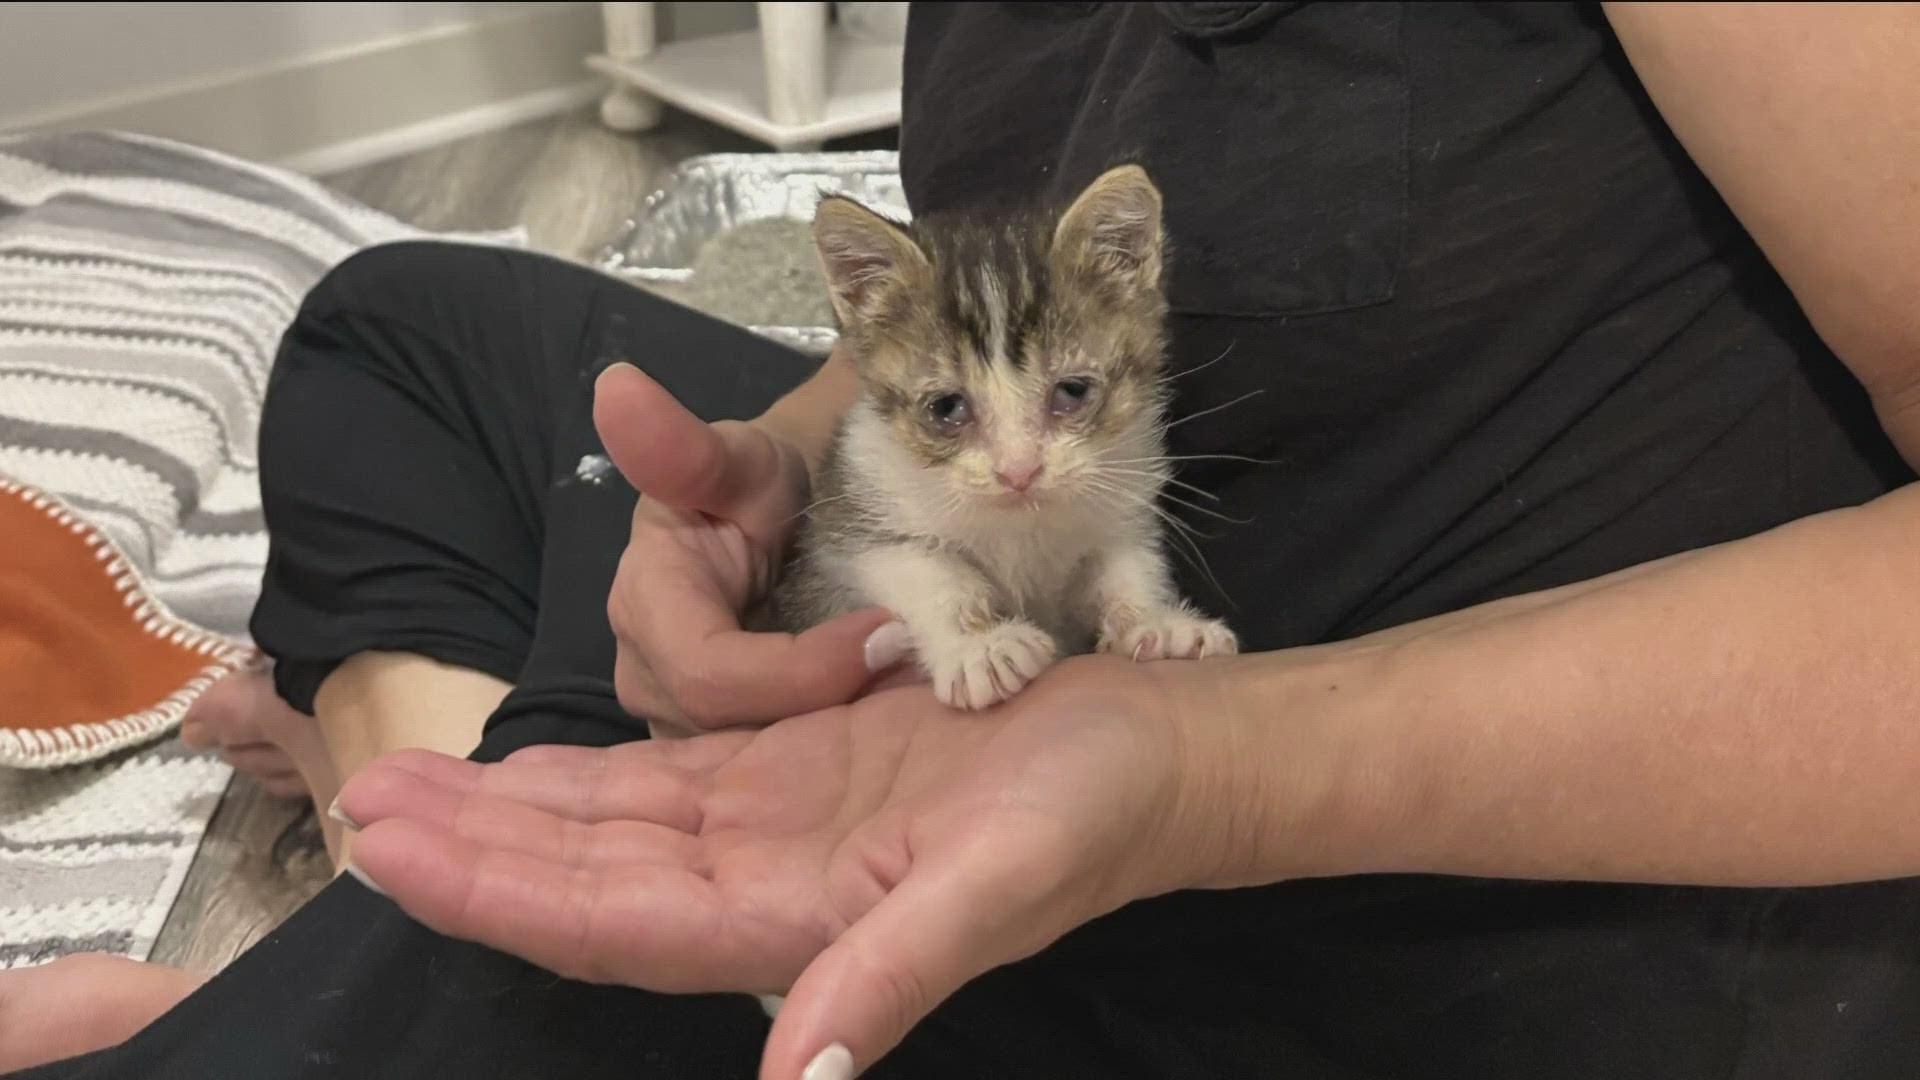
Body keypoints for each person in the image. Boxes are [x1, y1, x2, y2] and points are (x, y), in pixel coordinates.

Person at [6, 2, 1920, 1077]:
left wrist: (1225, 772)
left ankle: (414, 903)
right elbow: (963, 340)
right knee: (397, 332)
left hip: (1429, 884)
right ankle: (414, 861)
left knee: (427, 1008)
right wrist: (771, 461)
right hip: (1005, 594)